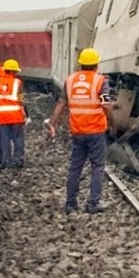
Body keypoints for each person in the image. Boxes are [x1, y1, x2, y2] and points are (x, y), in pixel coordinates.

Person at [47, 48, 114, 214]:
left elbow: (61, 102)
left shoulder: (70, 80)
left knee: (75, 167)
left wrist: (52, 123)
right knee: (97, 166)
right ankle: (93, 202)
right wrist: (113, 123)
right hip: (96, 131)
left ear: (81, 64)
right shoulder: (101, 81)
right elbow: (106, 105)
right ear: (96, 65)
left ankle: (70, 204)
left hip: (77, 131)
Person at [0, 59, 26, 168]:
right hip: (15, 115)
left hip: (2, 116)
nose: (17, 74)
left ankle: (5, 161)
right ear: (12, 71)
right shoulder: (18, 83)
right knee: (18, 138)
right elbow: (21, 100)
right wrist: (24, 113)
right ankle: (18, 160)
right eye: (16, 71)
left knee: (4, 138)